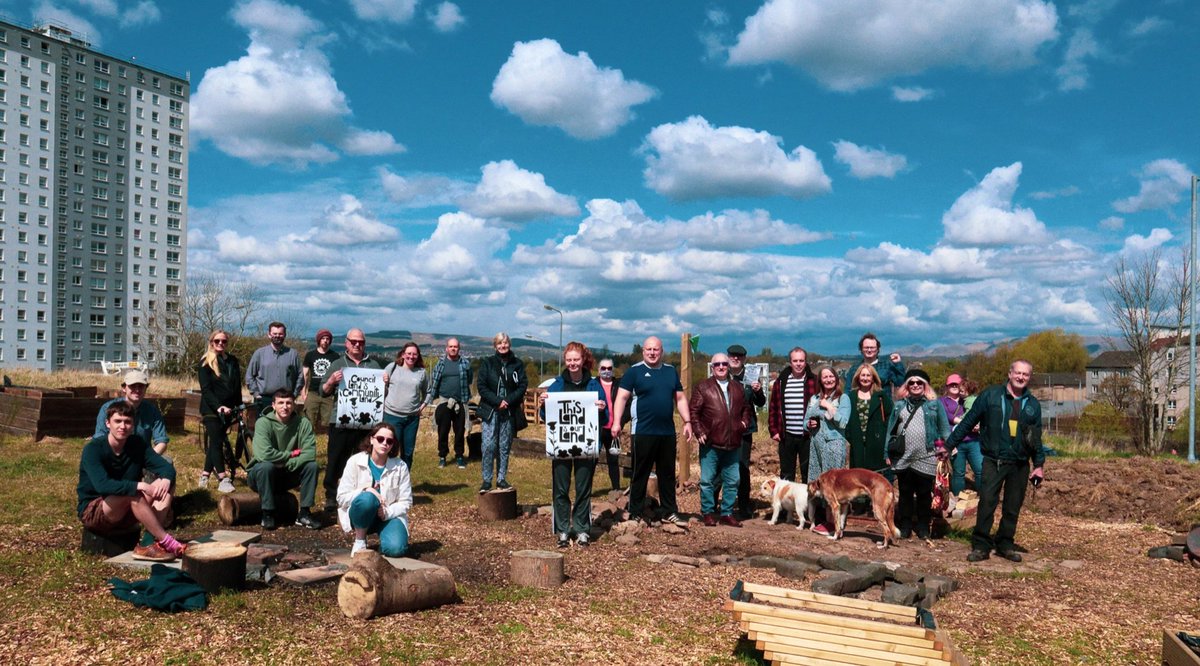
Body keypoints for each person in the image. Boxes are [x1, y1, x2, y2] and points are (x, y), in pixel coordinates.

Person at [949, 360, 1045, 563]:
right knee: (987, 503)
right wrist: (948, 445)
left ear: (1029, 377)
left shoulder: (1033, 404)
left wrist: (1039, 466)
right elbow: (968, 422)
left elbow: (1036, 438)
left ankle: (1005, 544)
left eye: (1025, 375)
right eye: (1017, 373)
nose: (1021, 377)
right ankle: (981, 546)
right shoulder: (990, 395)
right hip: (994, 460)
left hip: (1019, 463)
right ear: (1010, 374)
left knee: (1013, 507)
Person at [78, 402, 185, 562]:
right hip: (96, 510)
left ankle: (149, 544)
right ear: (108, 423)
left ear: (133, 424)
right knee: (134, 493)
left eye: (127, 422)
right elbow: (103, 485)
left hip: (127, 509)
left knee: (164, 486)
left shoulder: (137, 444)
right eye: (118, 421)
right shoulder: (93, 449)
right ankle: (167, 541)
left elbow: (165, 467)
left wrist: (166, 479)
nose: (123, 426)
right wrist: (140, 485)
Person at [610, 336, 693, 526]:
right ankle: (636, 511)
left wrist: (687, 421)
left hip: (667, 432)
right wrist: (616, 422)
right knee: (640, 472)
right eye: (649, 349)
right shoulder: (634, 372)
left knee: (668, 473)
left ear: (661, 351)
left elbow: (679, 399)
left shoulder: (670, 372)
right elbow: (621, 398)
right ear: (643, 352)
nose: (652, 353)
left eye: (656, 349)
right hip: (642, 431)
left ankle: (669, 511)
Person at [539, 342, 608, 547]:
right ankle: (562, 530)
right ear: (565, 361)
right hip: (561, 445)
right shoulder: (556, 385)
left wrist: (602, 409)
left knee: (583, 487)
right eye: (569, 360)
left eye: (576, 359)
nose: (572, 363)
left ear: (583, 359)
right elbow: (546, 416)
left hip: (585, 444)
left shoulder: (595, 386)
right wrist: (544, 405)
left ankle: (582, 529)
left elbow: (604, 418)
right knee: (560, 488)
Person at [320, 328, 383, 512]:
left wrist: (384, 382)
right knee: (336, 458)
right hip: (340, 420)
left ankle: (361, 493)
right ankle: (331, 495)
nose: (357, 345)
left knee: (364, 459)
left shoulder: (373, 365)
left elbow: (382, 394)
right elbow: (323, 391)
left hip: (366, 424)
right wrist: (331, 380)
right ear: (346, 342)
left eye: (361, 342)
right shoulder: (337, 363)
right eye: (353, 341)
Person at [884, 369, 950, 540]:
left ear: (925, 385)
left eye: (919, 382)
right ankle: (905, 526)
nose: (915, 385)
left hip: (927, 456)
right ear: (906, 386)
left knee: (923, 493)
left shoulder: (935, 405)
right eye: (911, 383)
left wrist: (947, 448)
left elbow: (944, 428)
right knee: (905, 493)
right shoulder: (899, 405)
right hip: (904, 456)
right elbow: (890, 430)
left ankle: (923, 526)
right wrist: (887, 452)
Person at [689, 353, 754, 528]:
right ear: (712, 367)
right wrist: (699, 430)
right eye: (717, 364)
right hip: (711, 442)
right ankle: (708, 512)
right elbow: (693, 411)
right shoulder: (703, 387)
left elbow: (746, 409)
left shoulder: (737, 388)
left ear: (728, 366)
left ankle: (727, 513)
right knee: (707, 480)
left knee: (733, 480)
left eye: (724, 364)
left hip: (733, 442)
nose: (721, 367)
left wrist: (743, 424)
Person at [245, 390, 321, 530]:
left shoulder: (303, 423)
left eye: (288, 403)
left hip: (286, 473)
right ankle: (267, 513)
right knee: (266, 466)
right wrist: (290, 455)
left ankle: (304, 513)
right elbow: (264, 455)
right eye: (280, 403)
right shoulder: (263, 423)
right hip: (261, 475)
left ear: (294, 405)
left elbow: (309, 453)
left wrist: (286, 463)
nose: (284, 407)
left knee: (312, 466)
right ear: (273, 405)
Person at [337, 423, 412, 557]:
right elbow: (341, 498)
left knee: (396, 549)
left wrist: (387, 512)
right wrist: (365, 490)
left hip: (387, 515)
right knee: (367, 498)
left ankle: (385, 541)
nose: (384, 443)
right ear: (371, 439)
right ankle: (360, 540)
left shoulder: (401, 466)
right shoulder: (355, 461)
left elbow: (406, 501)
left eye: (389, 441)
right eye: (380, 439)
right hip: (361, 513)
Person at [476, 332, 528, 493]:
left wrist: (508, 401)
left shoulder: (517, 364)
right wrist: (498, 401)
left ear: (509, 344)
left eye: (505, 343)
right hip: (491, 410)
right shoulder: (488, 363)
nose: (503, 346)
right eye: (499, 343)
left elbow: (522, 385)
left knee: (504, 446)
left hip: (509, 412)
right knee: (488, 445)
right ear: (495, 346)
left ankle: (501, 479)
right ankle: (486, 480)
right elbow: (482, 386)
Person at [803, 365, 851, 537]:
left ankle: (835, 524)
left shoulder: (843, 398)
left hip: (833, 445)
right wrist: (809, 425)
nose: (829, 380)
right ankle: (823, 520)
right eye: (825, 377)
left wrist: (829, 407)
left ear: (836, 379)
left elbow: (843, 422)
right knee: (819, 484)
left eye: (831, 376)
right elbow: (806, 420)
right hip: (816, 445)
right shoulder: (814, 398)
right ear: (820, 380)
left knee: (833, 486)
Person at [197, 330, 242, 493]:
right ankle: (223, 478)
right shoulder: (205, 363)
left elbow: (236, 386)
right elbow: (206, 390)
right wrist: (218, 407)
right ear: (211, 342)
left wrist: (239, 406)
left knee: (217, 441)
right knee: (216, 441)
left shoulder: (232, 361)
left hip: (229, 409)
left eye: (224, 341)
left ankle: (204, 476)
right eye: (217, 341)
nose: (220, 344)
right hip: (211, 410)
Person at [767, 347, 820, 487]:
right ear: (790, 362)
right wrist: (774, 430)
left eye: (801, 361)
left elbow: (821, 406)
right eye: (795, 361)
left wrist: (817, 423)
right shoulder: (781, 382)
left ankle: (809, 506)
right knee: (786, 474)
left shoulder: (814, 381)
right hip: (787, 435)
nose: (798, 364)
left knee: (808, 473)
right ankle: (786, 508)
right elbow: (773, 407)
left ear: (806, 362)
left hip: (808, 436)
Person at [727, 345, 766, 520]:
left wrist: (758, 391)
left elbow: (760, 402)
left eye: (739, 357)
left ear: (744, 359)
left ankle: (743, 505)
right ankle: (715, 505)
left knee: (742, 467)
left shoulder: (751, 377)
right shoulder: (721, 372)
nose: (735, 359)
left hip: (744, 429)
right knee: (722, 466)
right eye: (733, 356)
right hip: (723, 429)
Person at [94, 369, 169, 456]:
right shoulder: (108, 409)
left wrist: (149, 459)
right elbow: (99, 438)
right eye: (132, 386)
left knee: (167, 466)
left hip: (142, 457)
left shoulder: (152, 411)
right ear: (124, 388)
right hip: (113, 457)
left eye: (141, 386)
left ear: (146, 388)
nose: (137, 390)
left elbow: (162, 441)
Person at [382, 342, 430, 471]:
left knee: (408, 453)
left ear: (418, 356)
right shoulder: (392, 368)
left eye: (414, 354)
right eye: (409, 353)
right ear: (403, 354)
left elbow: (428, 391)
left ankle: (404, 481)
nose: (411, 356)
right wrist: (384, 382)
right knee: (389, 450)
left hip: (412, 419)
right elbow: (381, 389)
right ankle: (385, 480)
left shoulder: (421, 372)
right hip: (391, 416)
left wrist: (422, 406)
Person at [429, 338, 472, 469]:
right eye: (451, 346)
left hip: (460, 402)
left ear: (459, 348)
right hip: (444, 402)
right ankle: (442, 456)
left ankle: (459, 456)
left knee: (460, 431)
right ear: (446, 348)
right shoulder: (440, 364)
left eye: (455, 346)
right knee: (443, 431)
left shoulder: (465, 363)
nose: (453, 348)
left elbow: (469, 380)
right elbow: (434, 381)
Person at [244, 321, 304, 412]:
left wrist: (294, 394)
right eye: (274, 333)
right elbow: (249, 376)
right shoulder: (259, 353)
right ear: (269, 335)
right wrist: (256, 393)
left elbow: (300, 375)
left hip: (285, 400)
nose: (277, 336)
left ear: (284, 335)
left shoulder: (292, 354)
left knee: (285, 426)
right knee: (264, 425)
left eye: (280, 334)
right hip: (264, 399)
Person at [845, 363, 893, 474]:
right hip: (857, 443)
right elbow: (846, 418)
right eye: (863, 375)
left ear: (873, 378)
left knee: (875, 479)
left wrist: (882, 433)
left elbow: (890, 417)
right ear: (858, 377)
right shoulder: (851, 396)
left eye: (868, 375)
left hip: (876, 443)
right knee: (858, 478)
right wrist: (850, 436)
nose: (865, 378)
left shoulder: (881, 395)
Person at [301, 329, 340, 433]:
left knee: (329, 423)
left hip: (329, 394)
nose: (325, 341)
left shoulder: (335, 356)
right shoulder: (310, 355)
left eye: (327, 339)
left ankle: (328, 443)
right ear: (319, 340)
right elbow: (304, 375)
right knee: (308, 421)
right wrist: (304, 394)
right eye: (323, 338)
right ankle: (307, 444)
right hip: (312, 392)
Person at [949, 377, 984, 496]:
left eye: (957, 385)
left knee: (980, 470)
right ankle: (958, 497)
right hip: (957, 442)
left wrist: (975, 423)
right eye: (951, 385)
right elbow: (946, 416)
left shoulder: (968, 401)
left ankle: (983, 496)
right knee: (958, 472)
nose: (956, 389)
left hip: (973, 440)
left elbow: (973, 414)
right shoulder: (943, 401)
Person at [596, 358, 627, 491]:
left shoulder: (620, 385)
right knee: (592, 459)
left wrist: (620, 422)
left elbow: (627, 405)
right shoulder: (593, 384)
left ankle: (616, 489)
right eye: (603, 368)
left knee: (613, 460)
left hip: (614, 428)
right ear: (599, 370)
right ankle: (586, 491)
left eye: (609, 368)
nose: (606, 371)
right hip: (597, 428)